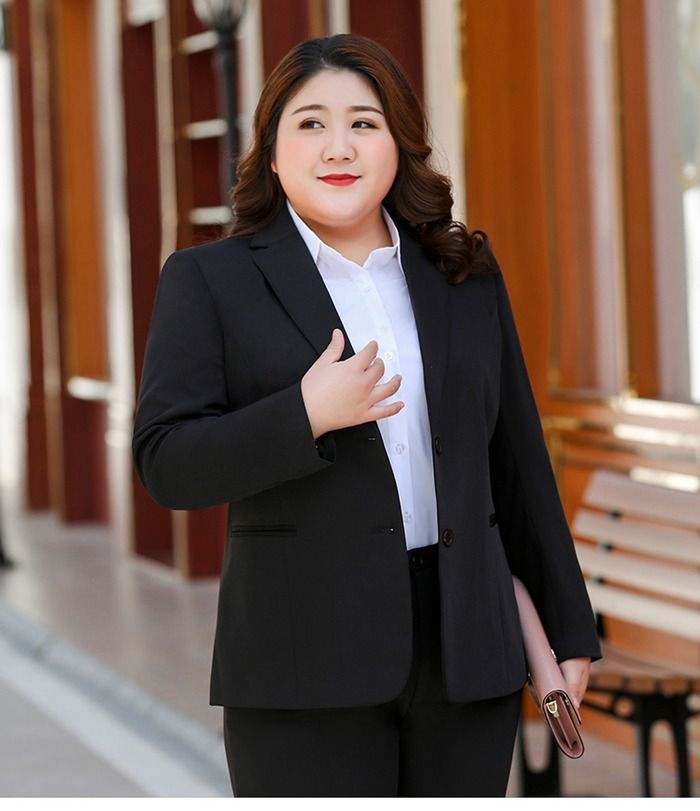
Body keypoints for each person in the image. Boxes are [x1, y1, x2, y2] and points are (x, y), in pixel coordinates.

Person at [132, 33, 602, 797]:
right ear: (272, 153)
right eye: (310, 124)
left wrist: (569, 625)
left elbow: (517, 462)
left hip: (465, 653)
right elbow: (166, 462)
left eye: (364, 122)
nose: (338, 146)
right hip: (302, 664)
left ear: (399, 144)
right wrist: (305, 414)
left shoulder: (464, 275)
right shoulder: (208, 281)